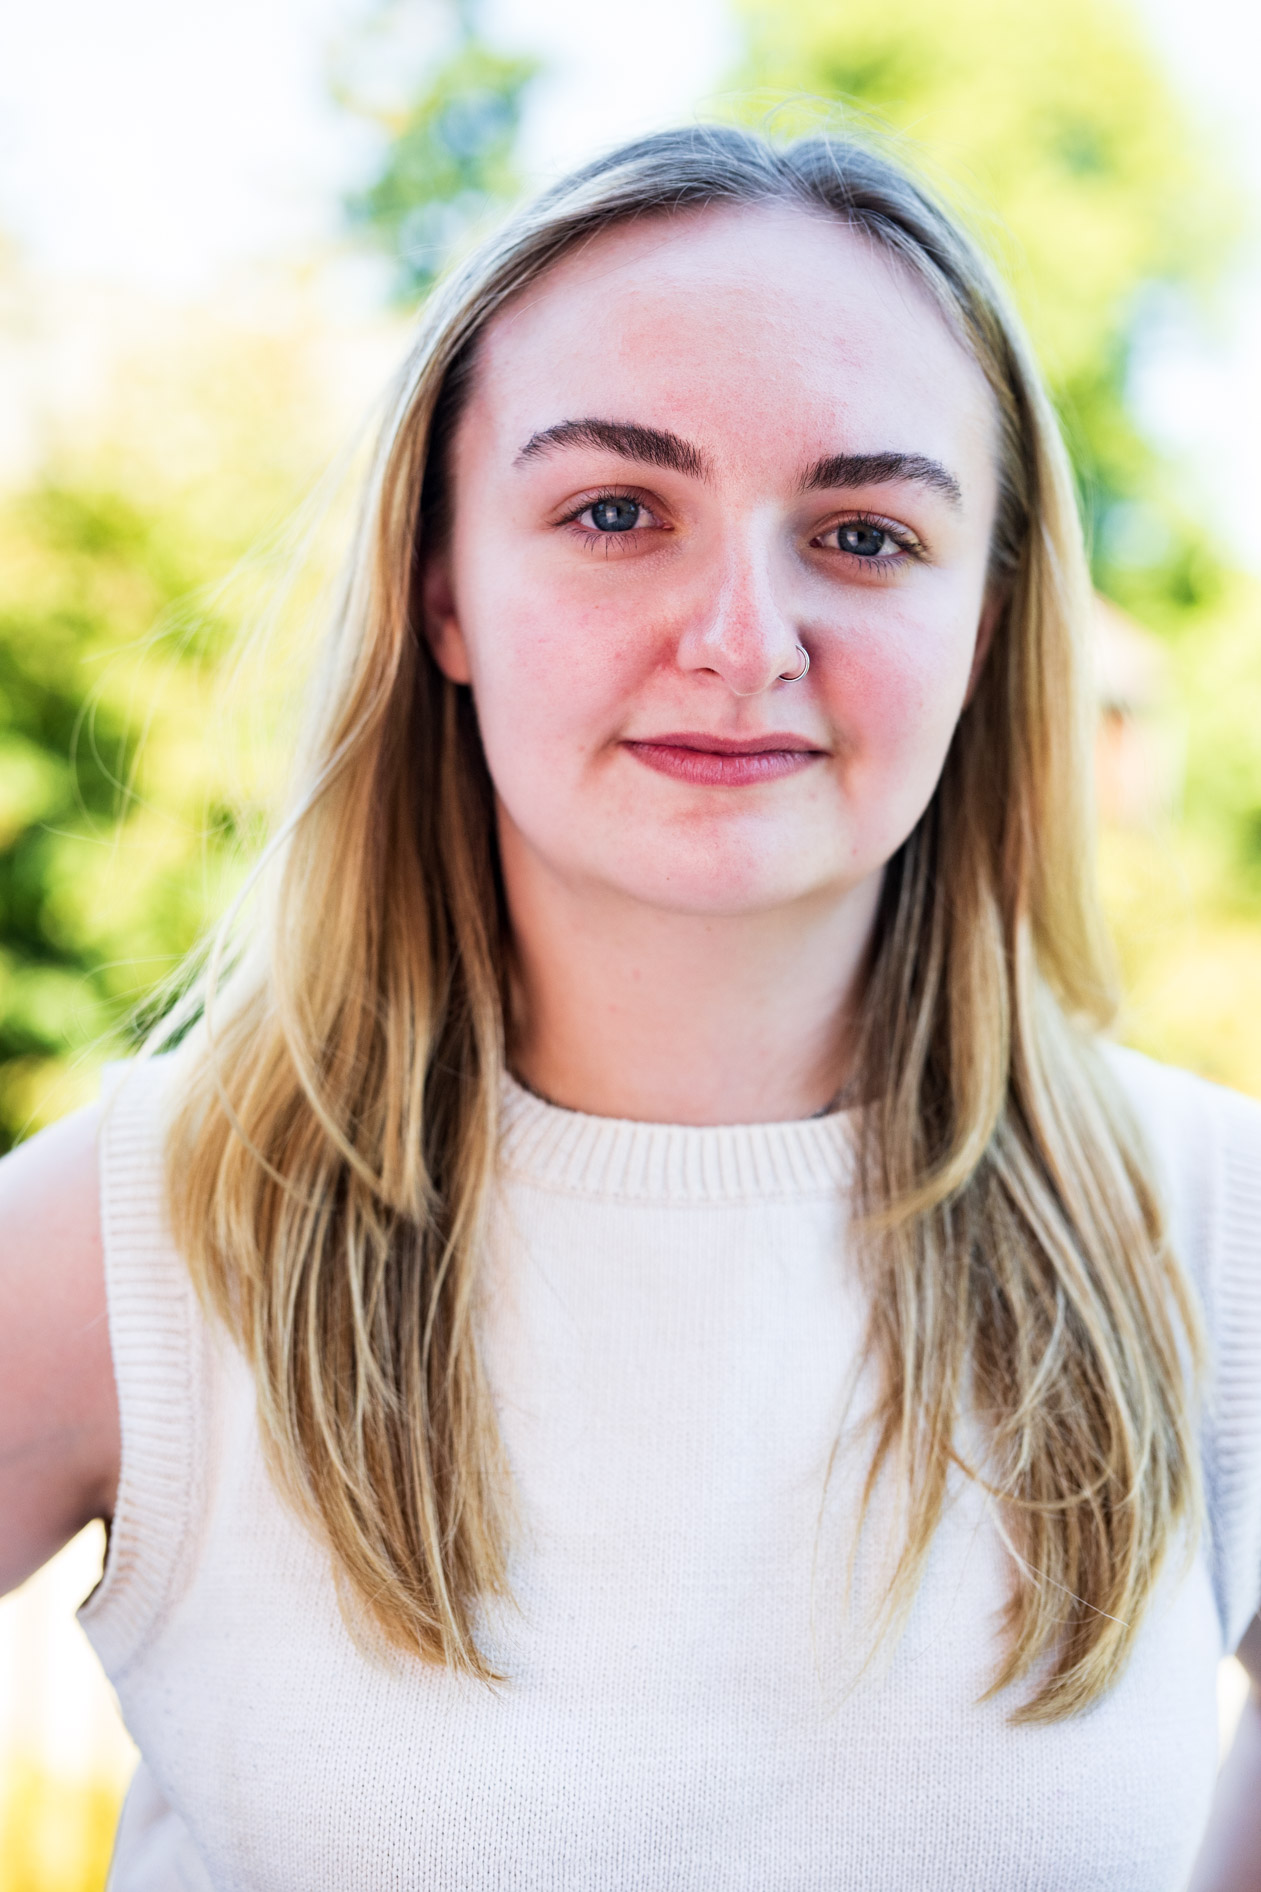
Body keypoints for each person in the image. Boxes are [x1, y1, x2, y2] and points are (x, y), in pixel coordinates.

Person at [1, 123, 1259, 1891]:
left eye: (866, 531)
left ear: (985, 622)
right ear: (442, 584)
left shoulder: (1211, 1230)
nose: (745, 638)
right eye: (614, 511)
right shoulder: (135, 1231)